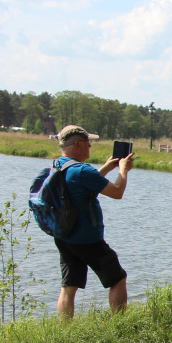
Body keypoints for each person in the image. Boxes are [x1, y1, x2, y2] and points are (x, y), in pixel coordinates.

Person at [52, 125, 133, 319]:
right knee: (117, 278)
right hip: (88, 239)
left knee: (69, 285)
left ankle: (65, 330)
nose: (90, 147)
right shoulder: (83, 171)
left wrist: (106, 168)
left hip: (64, 236)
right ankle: (120, 325)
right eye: (88, 143)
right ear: (78, 144)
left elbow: (83, 185)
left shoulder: (59, 166)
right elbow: (116, 192)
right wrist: (123, 171)